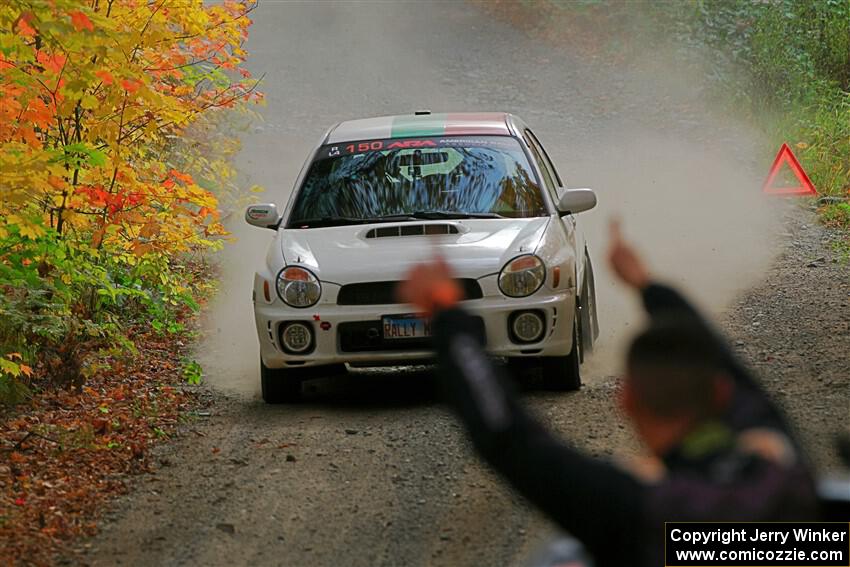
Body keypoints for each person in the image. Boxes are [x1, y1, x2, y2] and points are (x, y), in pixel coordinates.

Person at [397, 220, 817, 567]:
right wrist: (649, 286)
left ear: (626, 401)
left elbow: (511, 440)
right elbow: (726, 364)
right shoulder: (782, 466)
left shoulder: (638, 511)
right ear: (721, 394)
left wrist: (447, 315)